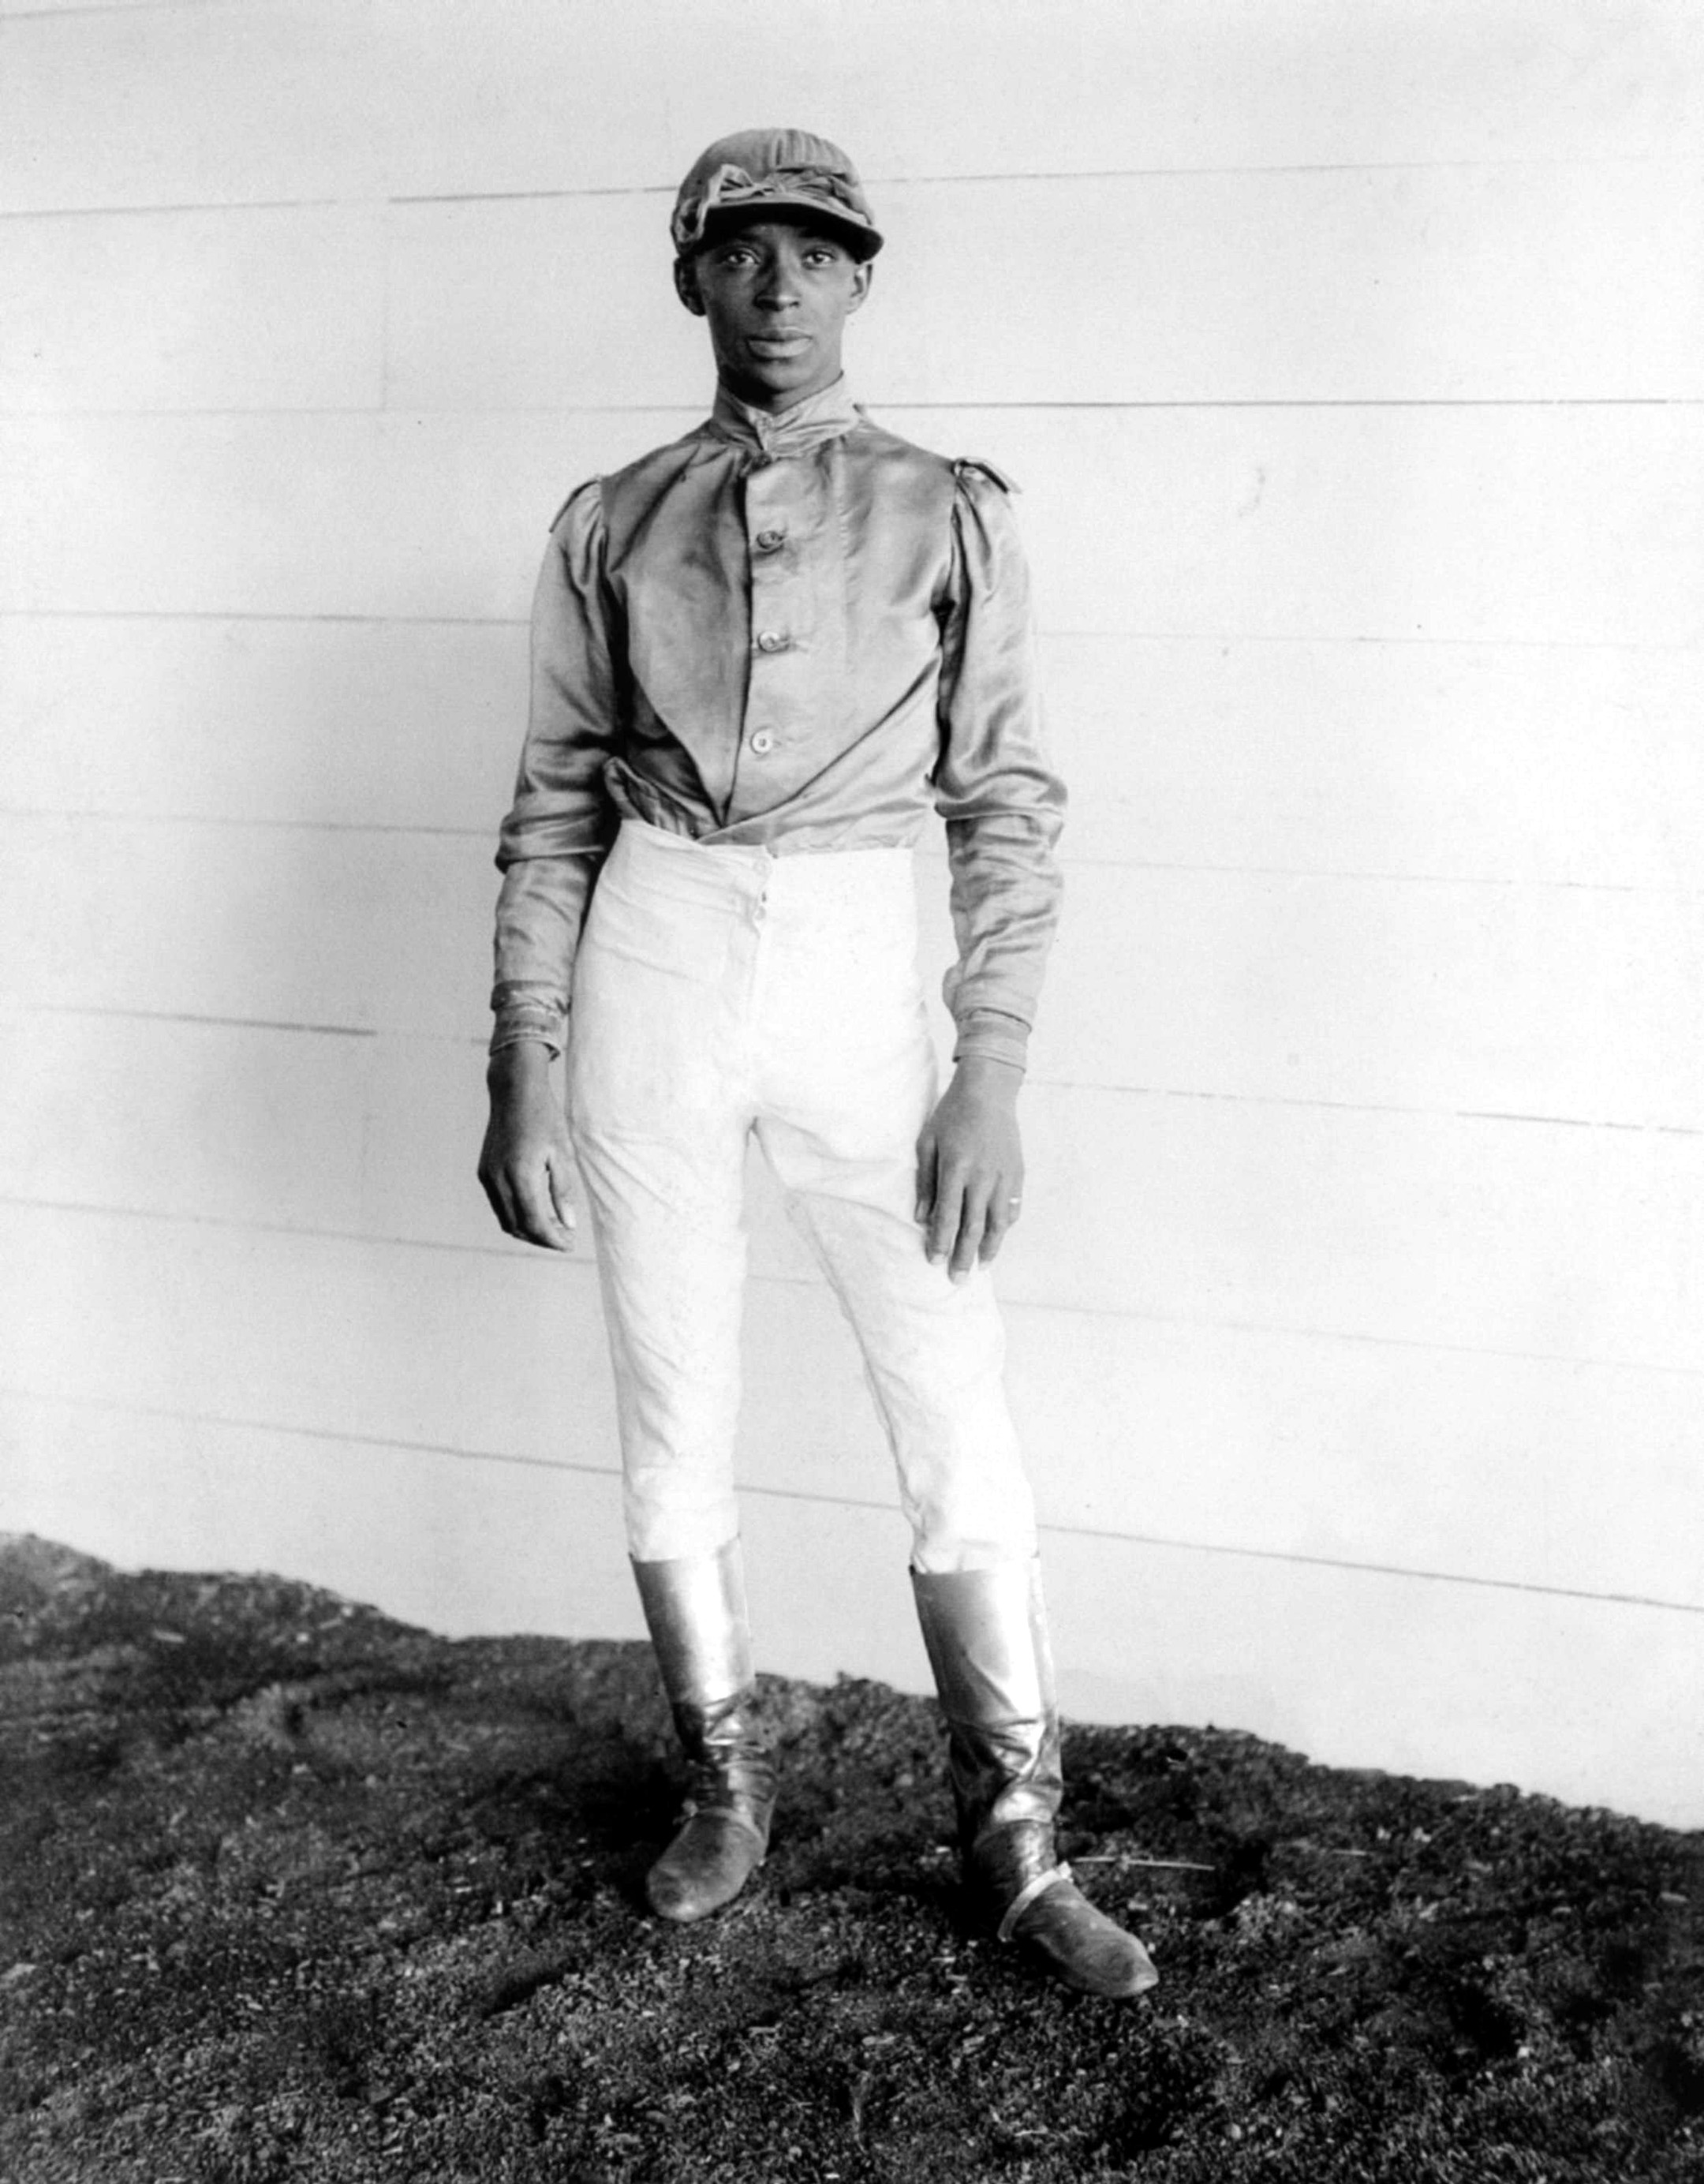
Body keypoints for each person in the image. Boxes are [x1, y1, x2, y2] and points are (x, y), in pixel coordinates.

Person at [477, 127, 1157, 2000]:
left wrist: (991, 1064)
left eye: (819, 253)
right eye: (745, 251)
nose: (782, 285)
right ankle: (723, 1780)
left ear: (864, 277)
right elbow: (550, 802)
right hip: (659, 948)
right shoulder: (611, 518)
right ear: (690, 274)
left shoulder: (949, 508)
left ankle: (1017, 1833)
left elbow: (1007, 804)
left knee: (950, 1386)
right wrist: (522, 1053)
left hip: (871, 955)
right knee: (671, 1377)